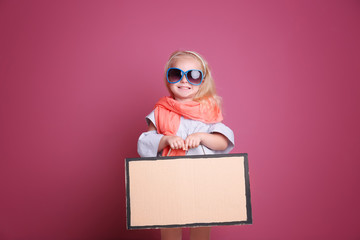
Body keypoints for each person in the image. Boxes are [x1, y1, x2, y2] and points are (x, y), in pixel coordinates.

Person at [137, 50, 235, 240]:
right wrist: (164, 139)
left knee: (201, 224)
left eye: (193, 75)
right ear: (168, 79)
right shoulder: (160, 111)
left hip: (202, 181)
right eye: (176, 74)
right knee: (170, 224)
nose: (184, 81)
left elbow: (223, 142)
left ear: (202, 80)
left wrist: (202, 137)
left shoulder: (208, 111)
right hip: (169, 181)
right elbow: (144, 144)